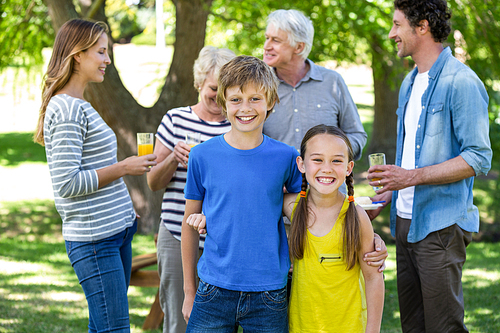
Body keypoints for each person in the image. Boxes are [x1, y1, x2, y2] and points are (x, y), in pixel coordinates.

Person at [181, 56, 387, 331]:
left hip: (270, 293)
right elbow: (189, 225)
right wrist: (189, 291)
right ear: (223, 103)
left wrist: (368, 237)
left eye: (255, 99)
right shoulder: (202, 156)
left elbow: (311, 206)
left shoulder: (287, 157)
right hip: (214, 288)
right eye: (236, 100)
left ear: (271, 102)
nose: (245, 108)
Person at [367, 1, 492, 332]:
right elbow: (416, 153)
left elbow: (478, 157)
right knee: (414, 325)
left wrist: (410, 177)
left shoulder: (461, 82)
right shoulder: (410, 82)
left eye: (397, 25)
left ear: (421, 26)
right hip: (406, 222)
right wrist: (390, 193)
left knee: (443, 327)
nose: (391, 33)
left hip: (441, 227)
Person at [34, 19, 157, 332]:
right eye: (101, 52)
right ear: (78, 55)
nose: (107, 60)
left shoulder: (79, 103)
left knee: (102, 326)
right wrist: (123, 167)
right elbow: (67, 183)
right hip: (94, 240)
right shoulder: (66, 109)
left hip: (117, 231)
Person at [147, 45, 235, 333]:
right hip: (175, 232)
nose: (218, 97)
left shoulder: (239, 125)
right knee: (178, 317)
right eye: (213, 88)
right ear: (199, 82)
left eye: (226, 89)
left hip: (223, 238)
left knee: (220, 321)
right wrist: (174, 156)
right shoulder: (175, 119)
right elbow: (153, 182)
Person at [284, 124, 384, 333]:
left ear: (349, 168)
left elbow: (374, 278)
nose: (327, 168)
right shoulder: (292, 206)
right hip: (302, 327)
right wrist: (206, 216)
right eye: (317, 159)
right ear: (301, 164)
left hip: (349, 327)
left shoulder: (356, 216)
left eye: (336, 161)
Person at [262, 9, 367, 160]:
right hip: (280, 184)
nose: (266, 46)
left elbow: (356, 134)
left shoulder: (332, 81)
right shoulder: (260, 86)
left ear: (299, 47)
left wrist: (333, 155)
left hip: (328, 182)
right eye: (267, 38)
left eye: (275, 40)